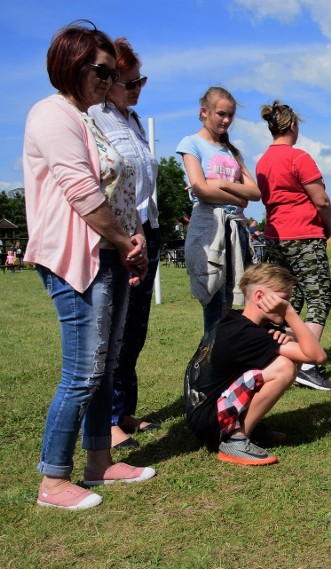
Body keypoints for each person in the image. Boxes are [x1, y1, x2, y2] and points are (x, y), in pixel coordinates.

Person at [23, 21, 155, 510]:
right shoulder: (51, 115)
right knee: (82, 371)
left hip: (110, 250)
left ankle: (99, 461)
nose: (107, 78)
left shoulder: (89, 117)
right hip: (76, 256)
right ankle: (53, 480)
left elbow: (114, 189)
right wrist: (124, 241)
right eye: (100, 70)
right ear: (71, 65)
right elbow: (82, 192)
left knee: (103, 366)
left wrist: (132, 238)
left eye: (111, 70)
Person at [89, 38, 161, 450]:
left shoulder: (132, 121)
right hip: (115, 233)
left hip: (145, 227)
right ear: (108, 79)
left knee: (135, 326)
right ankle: (108, 420)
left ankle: (124, 409)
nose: (136, 88)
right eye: (128, 81)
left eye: (141, 81)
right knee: (113, 328)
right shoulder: (95, 118)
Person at [184, 264, 327, 465]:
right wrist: (289, 313)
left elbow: (306, 351)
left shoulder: (237, 321)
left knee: (286, 361)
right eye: (284, 298)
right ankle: (236, 439)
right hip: (209, 421)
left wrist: (287, 333)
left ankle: (244, 426)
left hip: (205, 415)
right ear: (260, 296)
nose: (288, 303)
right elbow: (317, 356)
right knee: (284, 367)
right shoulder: (247, 334)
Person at [255, 101, 331, 391]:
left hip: (275, 235)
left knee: (288, 299)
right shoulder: (298, 157)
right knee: (319, 299)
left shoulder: (263, 161)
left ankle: (279, 355)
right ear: (293, 126)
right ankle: (306, 365)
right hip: (303, 234)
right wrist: (326, 227)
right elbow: (322, 200)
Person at [177, 86, 260, 332]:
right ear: (205, 111)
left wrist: (221, 184)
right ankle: (210, 364)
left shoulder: (232, 151)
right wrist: (236, 194)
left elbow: (254, 194)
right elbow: (201, 190)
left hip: (236, 229)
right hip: (210, 229)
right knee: (214, 301)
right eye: (221, 113)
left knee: (238, 303)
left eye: (230, 115)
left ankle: (233, 362)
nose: (226, 120)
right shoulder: (190, 143)